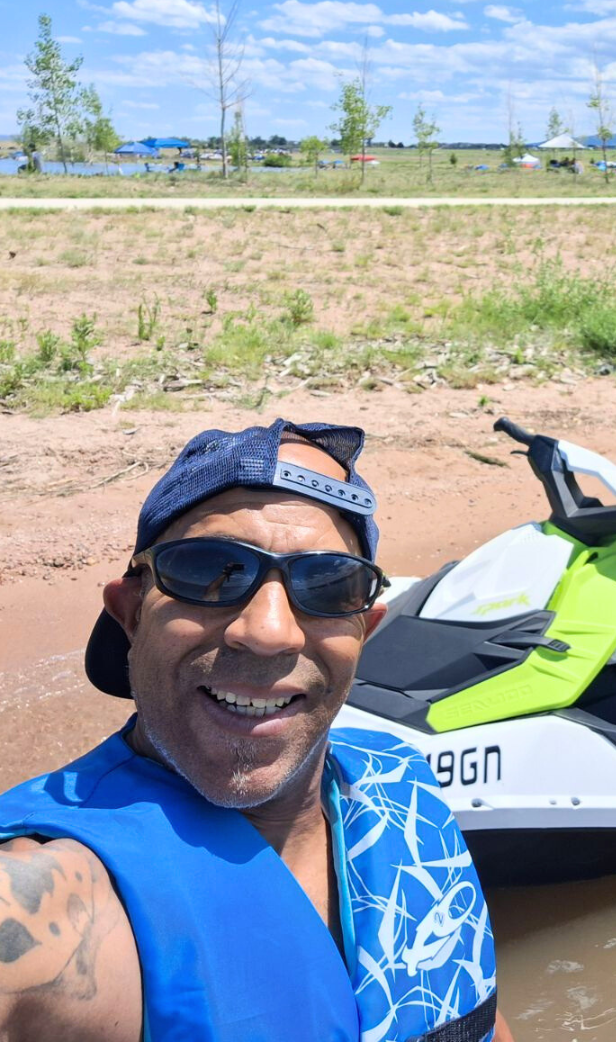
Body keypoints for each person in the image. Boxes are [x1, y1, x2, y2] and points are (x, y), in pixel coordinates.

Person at [0, 419, 509, 1042]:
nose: (269, 632)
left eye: (329, 584)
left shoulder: (402, 792)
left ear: (364, 631)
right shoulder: (51, 891)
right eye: (209, 572)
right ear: (130, 614)